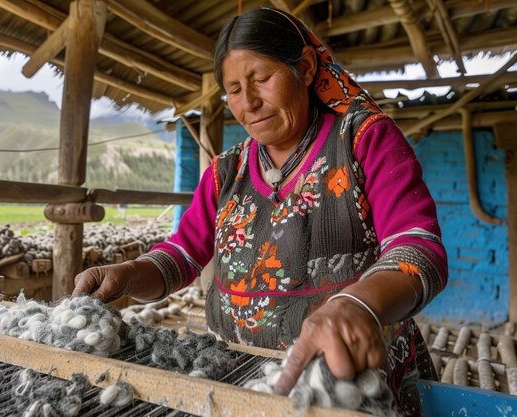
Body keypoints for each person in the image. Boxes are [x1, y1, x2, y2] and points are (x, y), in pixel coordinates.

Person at [73, 7, 447, 416]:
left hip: (346, 384)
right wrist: (127, 275)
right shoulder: (225, 172)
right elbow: (180, 256)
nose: (248, 103)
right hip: (243, 376)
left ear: (304, 68)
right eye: (233, 90)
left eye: (262, 80)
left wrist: (359, 305)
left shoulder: (363, 140)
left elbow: (417, 248)